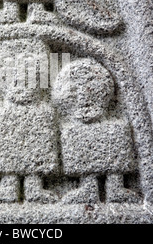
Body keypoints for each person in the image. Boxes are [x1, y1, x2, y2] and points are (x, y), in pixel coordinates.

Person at [0, 38, 59, 203]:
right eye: (11, 78)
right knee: (7, 155)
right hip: (8, 115)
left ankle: (34, 187)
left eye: (29, 77)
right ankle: (8, 186)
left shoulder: (44, 112)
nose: (20, 83)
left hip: (37, 115)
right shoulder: (1, 112)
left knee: (38, 154)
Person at [52, 58, 138, 204]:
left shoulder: (114, 125)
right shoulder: (71, 128)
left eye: (88, 85)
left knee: (115, 138)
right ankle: (88, 187)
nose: (82, 93)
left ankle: (115, 188)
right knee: (76, 137)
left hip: (105, 126)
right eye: (75, 89)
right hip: (80, 127)